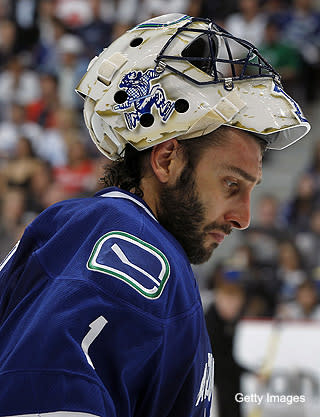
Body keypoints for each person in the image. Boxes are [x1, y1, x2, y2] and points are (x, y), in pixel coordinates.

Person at [0, 13, 310, 417]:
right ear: (167, 160)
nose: (244, 218)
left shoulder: (100, 232)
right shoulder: (131, 246)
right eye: (231, 185)